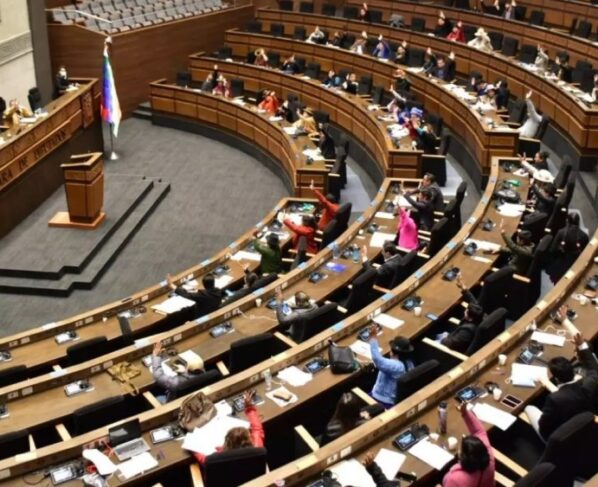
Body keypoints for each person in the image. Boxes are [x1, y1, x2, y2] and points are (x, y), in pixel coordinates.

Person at [524, 318, 598, 441]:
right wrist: (581, 344)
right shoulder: (591, 382)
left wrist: (546, 383)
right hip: (585, 428)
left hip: (559, 440)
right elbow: (593, 366)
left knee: (528, 408)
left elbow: (544, 429)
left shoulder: (555, 399)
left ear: (557, 379)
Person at [193, 391, 264, 466]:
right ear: (249, 439)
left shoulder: (215, 460)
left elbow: (199, 453)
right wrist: (250, 408)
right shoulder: (257, 447)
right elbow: (257, 429)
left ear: (226, 444)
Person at [442, 402, 495, 486]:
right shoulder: (489, 458)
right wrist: (465, 412)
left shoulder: (456, 479)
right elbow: (479, 431)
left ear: (463, 457)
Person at [368, 330, 415, 407]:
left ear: (393, 352)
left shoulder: (396, 366)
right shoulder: (410, 363)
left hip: (382, 401)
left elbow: (377, 359)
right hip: (393, 398)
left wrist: (373, 338)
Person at [438, 275, 485, 353]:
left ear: (470, 318)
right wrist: (463, 288)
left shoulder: (467, 331)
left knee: (435, 336)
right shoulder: (480, 314)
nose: (465, 311)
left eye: (466, 311)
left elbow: (451, 344)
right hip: (453, 335)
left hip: (448, 347)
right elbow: (474, 302)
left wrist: (444, 338)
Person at [546, 213, 589, 283]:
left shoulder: (561, 232)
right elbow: (585, 254)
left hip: (560, 265)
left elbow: (552, 249)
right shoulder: (584, 236)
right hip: (575, 265)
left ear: (567, 221)